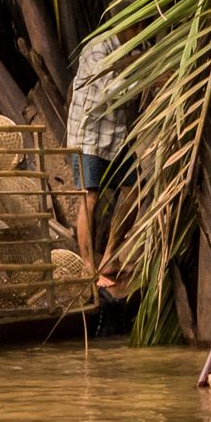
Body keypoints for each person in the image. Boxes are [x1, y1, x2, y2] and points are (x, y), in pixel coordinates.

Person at [64, 31, 132, 292]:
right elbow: (112, 91)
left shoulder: (139, 46)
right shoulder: (98, 48)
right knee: (89, 198)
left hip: (117, 137)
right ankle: (87, 267)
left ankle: (109, 259)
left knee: (133, 189)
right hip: (88, 135)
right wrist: (153, 78)